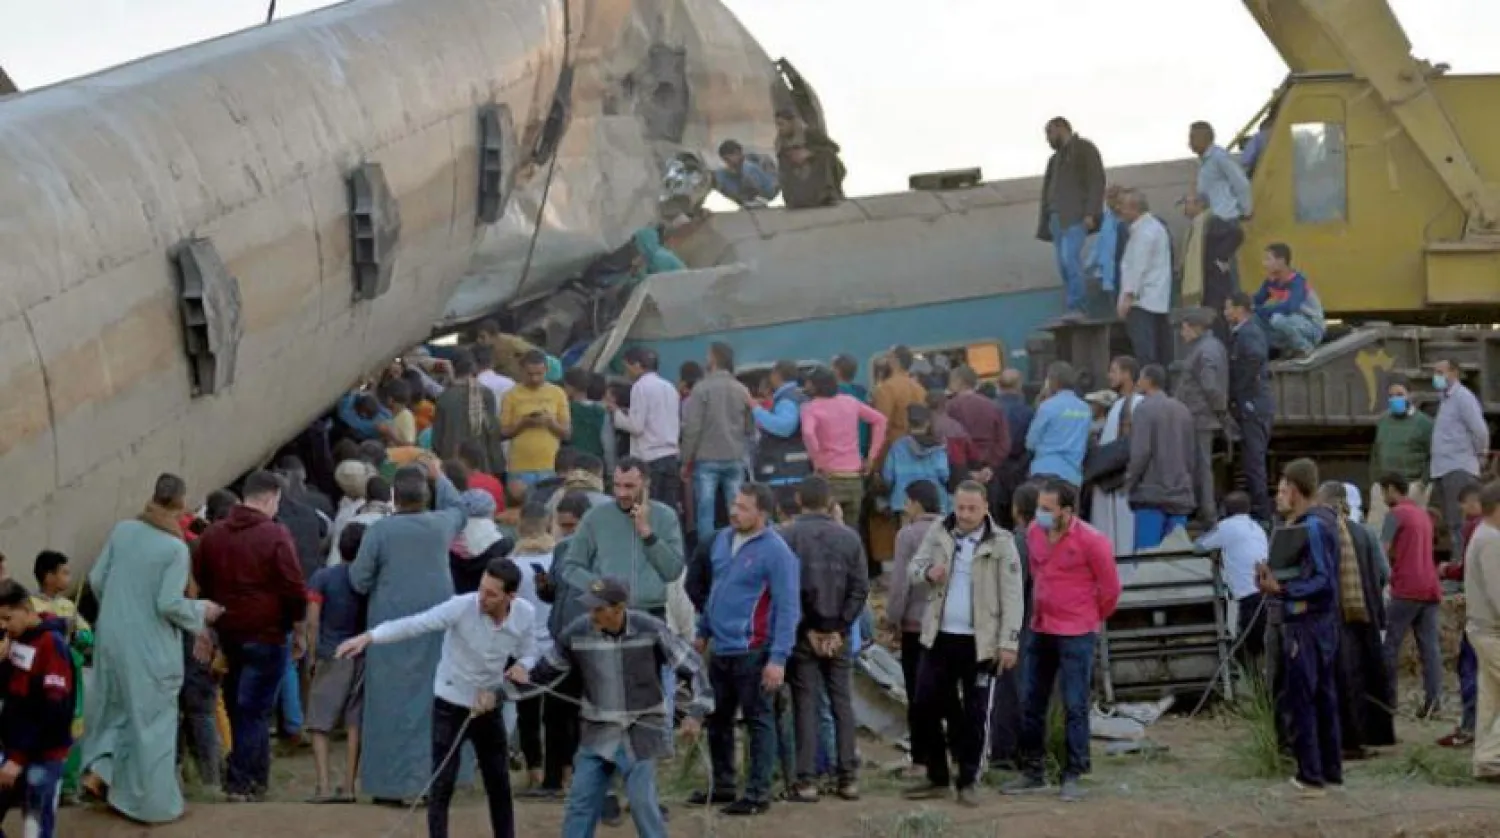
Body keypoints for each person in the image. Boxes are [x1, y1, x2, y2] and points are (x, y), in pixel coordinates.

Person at [337, 558, 540, 838]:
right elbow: (416, 624)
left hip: (488, 704)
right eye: (481, 588)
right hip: (451, 703)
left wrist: (522, 666)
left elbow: (530, 651)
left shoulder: (525, 614)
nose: (482, 597)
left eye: (492, 594)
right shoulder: (461, 607)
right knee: (442, 783)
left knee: (499, 782)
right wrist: (369, 637)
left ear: (511, 597)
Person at [511, 576, 712, 838]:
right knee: (579, 803)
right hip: (597, 730)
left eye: (598, 609)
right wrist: (506, 688)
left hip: (642, 729)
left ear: (619, 609)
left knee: (642, 803)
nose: (591, 614)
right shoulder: (576, 632)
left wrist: (696, 713)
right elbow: (544, 673)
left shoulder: (650, 628)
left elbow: (695, 668)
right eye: (590, 607)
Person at [81, 474, 223, 823]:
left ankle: (102, 773)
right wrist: (202, 610)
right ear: (181, 503)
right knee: (153, 725)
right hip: (150, 647)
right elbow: (168, 603)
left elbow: (97, 579)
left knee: (115, 711)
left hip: (111, 637)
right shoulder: (174, 548)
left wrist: (119, 606)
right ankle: (155, 805)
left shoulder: (123, 530)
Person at [347, 459, 468, 803]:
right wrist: (440, 475)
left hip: (389, 625)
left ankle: (389, 785)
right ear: (426, 497)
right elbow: (460, 508)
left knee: (387, 705)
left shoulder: (380, 531)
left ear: (394, 498)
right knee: (433, 702)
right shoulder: (440, 524)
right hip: (435, 625)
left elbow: (359, 580)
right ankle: (430, 782)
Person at [903, 481, 1024, 806]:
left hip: (980, 643)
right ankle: (937, 776)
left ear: (985, 508)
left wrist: (1009, 642)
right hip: (939, 637)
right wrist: (929, 572)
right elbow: (913, 569)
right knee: (924, 705)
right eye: (961, 508)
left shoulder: (1002, 543)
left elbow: (1013, 597)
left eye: (972, 508)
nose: (966, 515)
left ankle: (968, 779)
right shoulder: (939, 532)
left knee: (975, 712)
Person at [1003, 480, 1120, 802]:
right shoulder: (1034, 534)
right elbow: (1036, 572)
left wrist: (1088, 617)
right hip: (1041, 627)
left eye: (1047, 508)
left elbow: (1110, 589)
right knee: (1031, 702)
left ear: (1067, 511)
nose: (1040, 514)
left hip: (1076, 633)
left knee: (1075, 704)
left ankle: (1074, 773)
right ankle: (1033, 771)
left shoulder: (1092, 541)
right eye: (1039, 506)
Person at [690, 484, 800, 817]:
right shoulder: (722, 540)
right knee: (717, 718)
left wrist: (778, 659)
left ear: (762, 513)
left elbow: (788, 608)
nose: (734, 512)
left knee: (758, 721)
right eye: (734, 505)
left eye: (743, 508)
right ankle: (724, 783)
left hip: (753, 650)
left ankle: (757, 793)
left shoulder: (777, 552)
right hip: (720, 649)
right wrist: (703, 631)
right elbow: (717, 590)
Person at [779, 476, 870, 802]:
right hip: (837, 637)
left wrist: (809, 629)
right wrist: (838, 628)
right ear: (830, 502)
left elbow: (786, 591)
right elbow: (860, 589)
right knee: (841, 703)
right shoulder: (849, 539)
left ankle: (807, 781)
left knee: (805, 704)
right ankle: (848, 778)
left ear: (798, 499)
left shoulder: (786, 537)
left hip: (803, 635)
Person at [1257, 458, 1342, 796]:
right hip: (1319, 623)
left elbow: (1322, 579)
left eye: (1282, 490)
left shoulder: (1312, 527)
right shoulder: (1320, 523)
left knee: (1303, 699)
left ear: (1294, 490)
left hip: (1306, 622)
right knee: (1323, 697)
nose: (1278, 497)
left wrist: (1282, 589)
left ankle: (1309, 776)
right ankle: (1329, 772)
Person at [1316, 481, 1395, 756]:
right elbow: (1384, 573)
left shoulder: (1322, 532)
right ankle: (1370, 736)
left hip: (1336, 617)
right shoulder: (1365, 533)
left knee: (1342, 679)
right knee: (1367, 676)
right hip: (1366, 614)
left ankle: (1345, 739)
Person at [0, 579, 76, 838]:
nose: (3, 626)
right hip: (14, 749)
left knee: (35, 825)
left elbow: (54, 710)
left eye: (7, 618)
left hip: (43, 753)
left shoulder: (51, 645)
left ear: (25, 609)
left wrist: (19, 757)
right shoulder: (15, 640)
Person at [303, 523, 370, 803]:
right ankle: (349, 786)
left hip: (332, 654)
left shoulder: (323, 577)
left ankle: (323, 785)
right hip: (362, 653)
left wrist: (311, 654)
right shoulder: (367, 582)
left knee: (320, 721)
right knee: (355, 721)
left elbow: (312, 620)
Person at [884, 479, 944, 777]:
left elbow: (900, 584)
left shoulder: (907, 535)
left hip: (915, 626)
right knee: (945, 693)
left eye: (907, 502)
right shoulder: (952, 531)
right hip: (947, 625)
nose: (905, 507)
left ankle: (921, 760)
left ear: (917, 503)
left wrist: (892, 619)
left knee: (918, 693)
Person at [1377, 472, 1444, 718]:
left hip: (1406, 587)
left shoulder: (1395, 514)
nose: (1383, 497)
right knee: (1430, 648)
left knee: (1389, 645)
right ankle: (1434, 702)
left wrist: (1383, 580)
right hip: (1430, 586)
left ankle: (1387, 702)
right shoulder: (1422, 515)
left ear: (1391, 489)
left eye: (1383, 492)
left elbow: (1381, 551)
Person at [799, 367, 888, 529]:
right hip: (854, 477)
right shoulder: (850, 402)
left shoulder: (810, 408)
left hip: (829, 477)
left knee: (829, 528)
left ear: (815, 386)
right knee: (851, 529)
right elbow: (880, 420)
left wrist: (817, 460)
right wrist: (871, 456)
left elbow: (808, 433)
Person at [1036, 116, 1106, 319]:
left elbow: (1096, 181)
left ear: (1061, 128)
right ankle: (1073, 305)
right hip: (1056, 218)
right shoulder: (1054, 160)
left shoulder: (1084, 149)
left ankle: (1078, 306)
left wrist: (1091, 212)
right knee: (1063, 265)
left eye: (1049, 133)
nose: (1048, 139)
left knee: (1070, 259)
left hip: (1075, 217)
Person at [682, 342, 753, 537]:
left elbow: (692, 428)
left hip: (706, 457)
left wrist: (686, 460)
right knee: (737, 506)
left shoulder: (701, 389)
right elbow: (749, 427)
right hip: (735, 456)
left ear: (713, 359)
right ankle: (738, 542)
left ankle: (708, 549)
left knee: (706, 509)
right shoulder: (741, 389)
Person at [1196, 492, 1270, 665]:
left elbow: (1198, 547)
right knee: (1258, 648)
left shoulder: (1226, 527)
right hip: (1265, 593)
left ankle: (1246, 677)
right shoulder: (1257, 527)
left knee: (1244, 649)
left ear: (1225, 511)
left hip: (1246, 598)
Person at [1223, 292, 1275, 522]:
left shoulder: (1249, 332)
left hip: (1254, 406)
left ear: (1240, 309)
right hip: (1250, 404)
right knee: (1251, 461)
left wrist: (1239, 391)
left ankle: (1262, 515)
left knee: (1254, 462)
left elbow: (1254, 359)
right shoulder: (1241, 333)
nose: (1225, 313)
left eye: (1228, 307)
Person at [1174, 309, 1229, 523]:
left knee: (1201, 466)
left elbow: (1210, 385)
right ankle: (1204, 510)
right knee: (1199, 465)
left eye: (1184, 328)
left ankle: (1208, 513)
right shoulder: (1208, 347)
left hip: (1200, 416)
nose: (1182, 333)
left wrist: (1219, 410)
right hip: (1200, 416)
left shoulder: (1205, 350)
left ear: (1196, 328)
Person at [1431, 357, 1490, 558]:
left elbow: (1480, 430)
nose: (1436, 377)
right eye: (1435, 373)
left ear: (1454, 373)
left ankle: (1462, 564)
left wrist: (1480, 454)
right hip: (1443, 468)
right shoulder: (1445, 400)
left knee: (1459, 522)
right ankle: (1459, 563)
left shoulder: (1463, 398)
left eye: (1440, 372)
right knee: (1452, 521)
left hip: (1458, 467)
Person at [611, 347, 683, 510]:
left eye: (627, 367)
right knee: (669, 508)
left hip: (650, 457)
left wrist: (616, 414)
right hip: (670, 455)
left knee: (649, 507)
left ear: (637, 365)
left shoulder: (640, 387)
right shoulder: (669, 387)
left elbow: (636, 426)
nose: (626, 372)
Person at [1463, 481, 1500, 779]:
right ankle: (1490, 755)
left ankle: (1486, 760)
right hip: (1491, 630)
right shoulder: (1491, 540)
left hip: (1483, 628)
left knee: (1491, 697)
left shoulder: (1484, 535)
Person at [1089, 356, 1143, 556]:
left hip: (1121, 484)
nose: (1109, 376)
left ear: (1127, 374)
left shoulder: (1135, 404)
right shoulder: (1119, 404)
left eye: (1114, 371)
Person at [1114, 189, 1173, 367]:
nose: (1119, 210)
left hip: (1142, 301)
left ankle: (1148, 382)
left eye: (1123, 206)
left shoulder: (1144, 232)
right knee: (1160, 351)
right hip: (1158, 299)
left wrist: (1127, 297)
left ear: (1134, 209)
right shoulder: (1156, 228)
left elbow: (1137, 267)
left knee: (1144, 353)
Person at [501, 349, 573, 488]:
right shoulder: (511, 395)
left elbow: (567, 434)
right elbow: (503, 432)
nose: (534, 379)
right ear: (522, 371)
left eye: (539, 374)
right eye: (530, 374)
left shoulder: (558, 393)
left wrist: (551, 422)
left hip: (550, 465)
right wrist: (523, 423)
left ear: (546, 370)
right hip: (519, 466)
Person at [1179, 192, 1245, 334]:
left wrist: (1220, 258)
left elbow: (1237, 234)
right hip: (1204, 283)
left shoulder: (1212, 221)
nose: (1184, 207)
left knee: (1217, 321)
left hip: (1214, 283)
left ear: (1200, 204)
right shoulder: (1194, 226)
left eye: (1187, 203)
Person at [749, 360, 812, 506]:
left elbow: (785, 427)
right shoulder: (801, 396)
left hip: (783, 473)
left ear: (776, 375)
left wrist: (756, 410)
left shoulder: (787, 399)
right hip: (798, 469)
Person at [433, 350, 505, 473]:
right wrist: (497, 465)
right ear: (474, 368)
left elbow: (437, 441)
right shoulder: (485, 394)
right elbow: (493, 432)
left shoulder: (445, 397)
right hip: (481, 464)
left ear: (453, 369)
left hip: (452, 466)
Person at [1370, 375, 1434, 513]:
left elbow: (1433, 456)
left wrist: (1422, 483)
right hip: (1384, 489)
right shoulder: (1383, 421)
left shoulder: (1424, 423)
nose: (1395, 399)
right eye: (1391, 396)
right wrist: (1375, 481)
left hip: (1411, 487)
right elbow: (1376, 452)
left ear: (1410, 395)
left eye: (1399, 394)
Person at [1252, 243, 1325, 359]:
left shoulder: (1297, 282)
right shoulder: (1271, 282)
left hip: (1312, 328)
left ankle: (1306, 349)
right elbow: (1256, 301)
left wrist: (1261, 310)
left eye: (1268, 259)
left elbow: (1290, 307)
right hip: (1291, 324)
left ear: (1281, 261)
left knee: (1277, 319)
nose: (1264, 264)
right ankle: (1285, 348)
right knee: (1253, 320)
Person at [1027, 361, 1092, 488]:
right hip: (1072, 475)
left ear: (1052, 381)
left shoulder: (1047, 406)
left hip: (1045, 470)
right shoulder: (1085, 408)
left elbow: (1030, 442)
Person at [946, 365, 1009, 488]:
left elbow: (947, 441)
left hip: (959, 472)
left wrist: (965, 472)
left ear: (958, 381)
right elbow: (1004, 441)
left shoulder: (950, 408)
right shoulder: (993, 407)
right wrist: (991, 467)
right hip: (988, 471)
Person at [883, 405, 952, 517]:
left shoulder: (897, 446)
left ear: (908, 423)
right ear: (927, 423)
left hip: (904, 501)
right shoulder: (938, 447)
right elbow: (944, 475)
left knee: (906, 528)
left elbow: (888, 477)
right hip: (934, 500)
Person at [992, 369, 1036, 528]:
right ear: (1019, 385)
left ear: (998, 385)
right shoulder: (1029, 412)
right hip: (1020, 469)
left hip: (995, 470)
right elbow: (1033, 443)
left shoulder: (990, 408)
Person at [872, 346, 929, 467]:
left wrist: (875, 461)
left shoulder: (886, 389)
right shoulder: (920, 389)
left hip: (895, 451)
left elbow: (882, 426)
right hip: (918, 450)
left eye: (888, 357)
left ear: (895, 361)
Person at [562, 367, 613, 467]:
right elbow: (608, 444)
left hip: (571, 461)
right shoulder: (601, 411)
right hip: (595, 461)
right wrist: (611, 468)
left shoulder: (566, 408)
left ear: (569, 387)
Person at [714, 139, 779, 207]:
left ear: (737, 153)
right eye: (725, 160)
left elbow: (768, 190)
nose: (727, 163)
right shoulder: (722, 173)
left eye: (728, 159)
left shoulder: (750, 169)